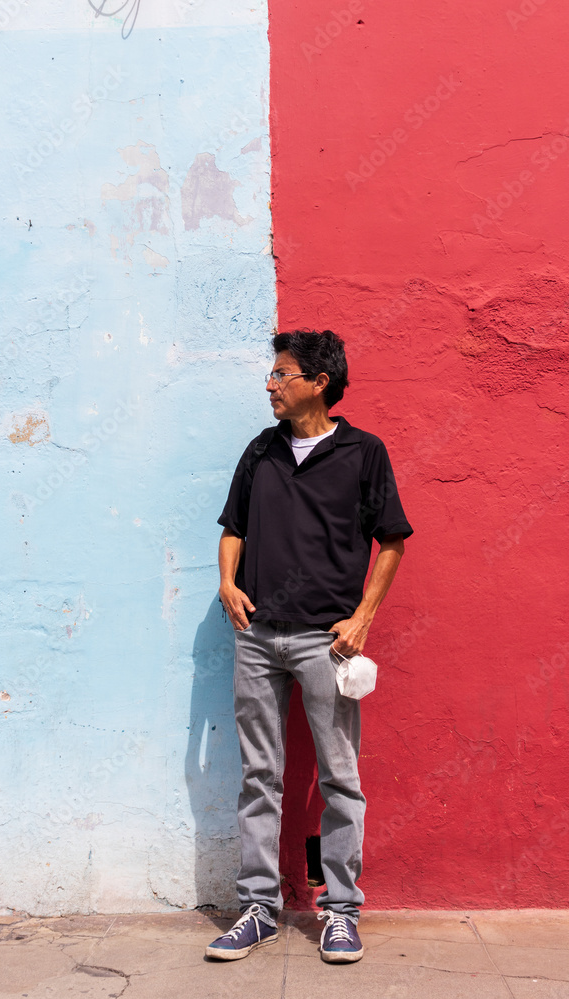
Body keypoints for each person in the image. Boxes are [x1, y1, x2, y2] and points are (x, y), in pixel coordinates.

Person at [206, 330, 413, 963]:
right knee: (259, 776)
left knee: (340, 777)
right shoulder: (261, 450)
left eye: (282, 374)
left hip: (327, 640)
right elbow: (233, 528)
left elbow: (392, 541)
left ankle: (341, 910)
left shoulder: (363, 453)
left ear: (320, 383)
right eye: (271, 374)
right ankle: (258, 909)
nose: (270, 384)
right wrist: (226, 583)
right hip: (258, 636)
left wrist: (362, 619)